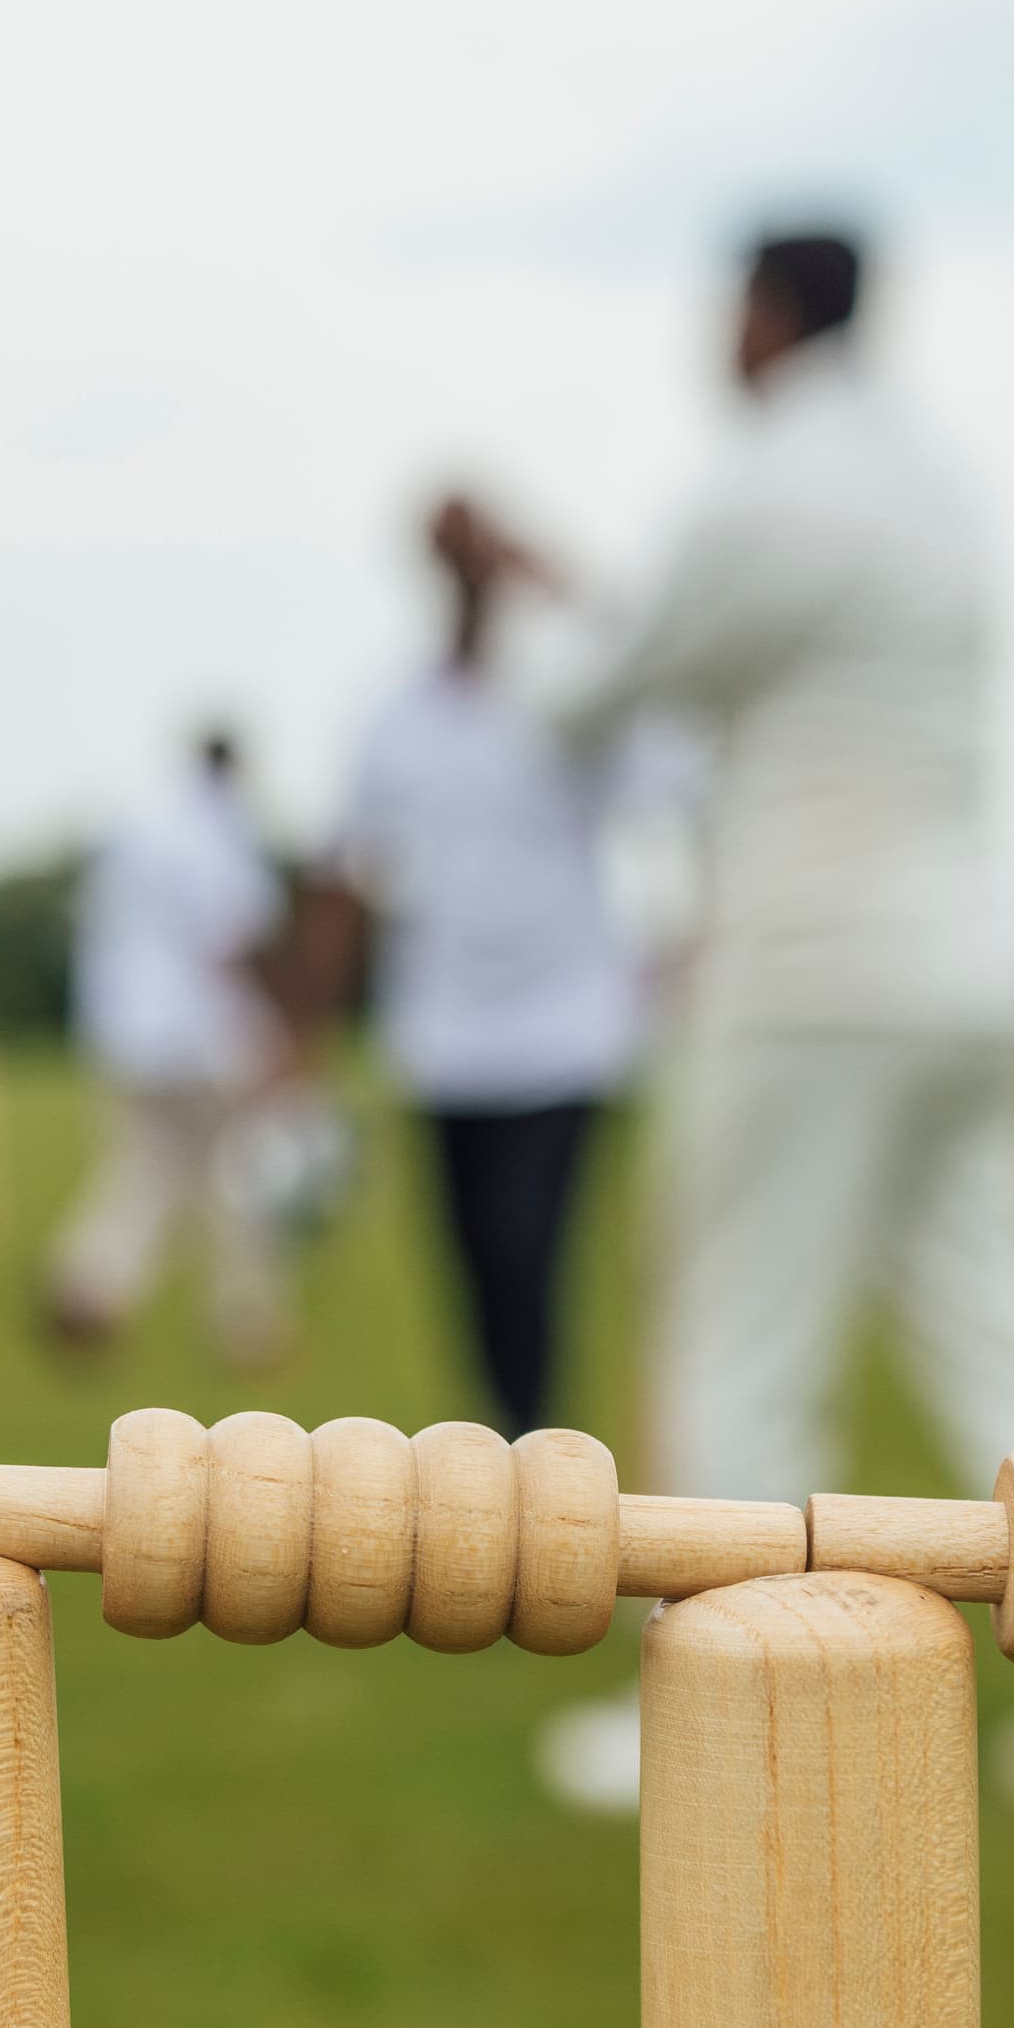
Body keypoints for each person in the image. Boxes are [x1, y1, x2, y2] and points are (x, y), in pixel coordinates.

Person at [534, 227, 1014, 1821]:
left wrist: (532, 595)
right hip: (985, 966)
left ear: (768, 312)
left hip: (817, 963)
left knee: (737, 1338)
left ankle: (723, 1726)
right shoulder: (941, 479)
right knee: (1013, 1336)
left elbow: (601, 687)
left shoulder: (768, 480)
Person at [302, 495, 661, 1435]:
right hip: (442, 1040)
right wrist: (306, 1042)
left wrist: (565, 577)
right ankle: (505, 1472)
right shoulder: (394, 716)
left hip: (564, 1033)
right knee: (473, 1279)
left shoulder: (567, 697)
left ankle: (540, 1475)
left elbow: (665, 683)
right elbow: (345, 871)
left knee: (525, 1256)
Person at [44, 725, 293, 1371]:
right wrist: (271, 1032)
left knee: (147, 1169)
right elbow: (232, 940)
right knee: (227, 1175)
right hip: (198, 1035)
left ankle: (90, 1284)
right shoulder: (221, 832)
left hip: (122, 1032)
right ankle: (246, 1321)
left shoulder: (135, 828)